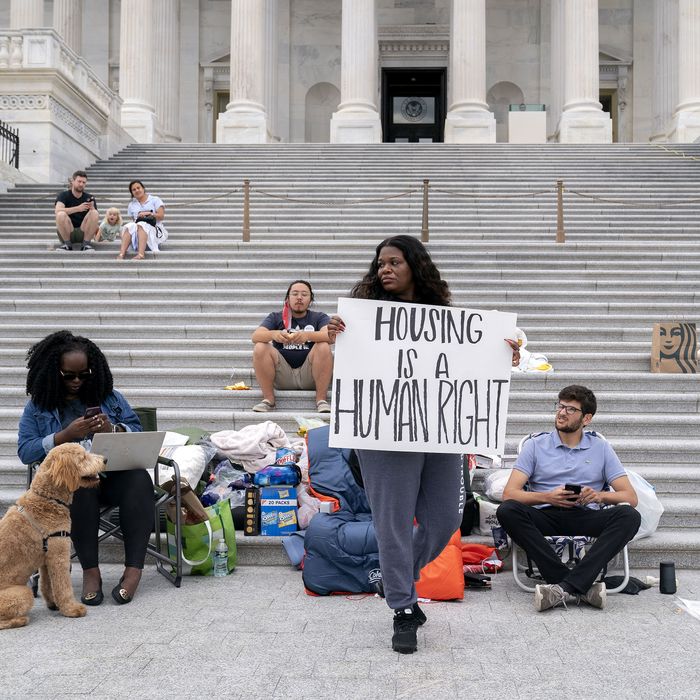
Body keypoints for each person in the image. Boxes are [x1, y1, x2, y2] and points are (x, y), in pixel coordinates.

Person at [326, 235, 520, 654]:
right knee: (392, 525)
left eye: (394, 262)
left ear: (416, 266)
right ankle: (403, 608)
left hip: (438, 432)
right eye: (380, 264)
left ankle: (394, 576)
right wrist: (337, 339)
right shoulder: (361, 320)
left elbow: (479, 363)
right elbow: (352, 373)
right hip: (382, 436)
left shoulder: (446, 321)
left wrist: (505, 355)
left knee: (445, 517)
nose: (385, 270)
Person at [17, 331, 153, 606]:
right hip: (70, 489)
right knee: (78, 486)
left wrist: (113, 429)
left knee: (139, 479)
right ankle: (91, 573)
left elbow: (138, 430)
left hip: (113, 477)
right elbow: (25, 450)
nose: (77, 381)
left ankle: (133, 571)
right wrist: (63, 436)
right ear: (55, 372)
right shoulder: (38, 407)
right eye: (69, 375)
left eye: (84, 374)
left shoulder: (111, 398)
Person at [497, 384, 641, 612]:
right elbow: (510, 493)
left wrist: (599, 496)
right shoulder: (536, 445)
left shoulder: (601, 448)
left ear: (587, 418)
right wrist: (547, 497)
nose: (562, 412)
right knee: (507, 510)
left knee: (629, 516)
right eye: (560, 406)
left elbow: (630, 497)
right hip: (545, 513)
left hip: (586, 514)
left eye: (570, 409)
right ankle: (580, 585)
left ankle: (562, 588)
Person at [251, 280, 334, 413]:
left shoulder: (319, 317)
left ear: (311, 300)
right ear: (287, 298)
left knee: (323, 345)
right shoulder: (275, 316)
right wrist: (274, 334)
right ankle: (268, 400)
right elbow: (255, 336)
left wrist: (308, 336)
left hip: (311, 375)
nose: (299, 297)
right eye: (295, 294)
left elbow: (330, 336)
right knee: (260, 347)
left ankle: (321, 400)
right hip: (283, 376)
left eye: (304, 294)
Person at [117, 180, 168, 260]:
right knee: (129, 226)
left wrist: (148, 214)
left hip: (155, 228)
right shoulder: (131, 205)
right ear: (132, 193)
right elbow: (134, 221)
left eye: (138, 188)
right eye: (134, 189)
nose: (137, 190)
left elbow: (161, 216)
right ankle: (121, 254)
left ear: (143, 188)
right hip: (139, 231)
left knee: (141, 224)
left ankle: (141, 254)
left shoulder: (155, 199)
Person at [54, 170, 99, 252]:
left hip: (83, 232)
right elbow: (57, 211)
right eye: (79, 181)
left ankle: (86, 245)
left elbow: (94, 218)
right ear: (73, 181)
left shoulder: (89, 197)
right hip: (67, 231)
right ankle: (67, 245)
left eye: (84, 182)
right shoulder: (63, 195)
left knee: (94, 213)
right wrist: (78, 208)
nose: (81, 184)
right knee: (60, 214)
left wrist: (92, 209)